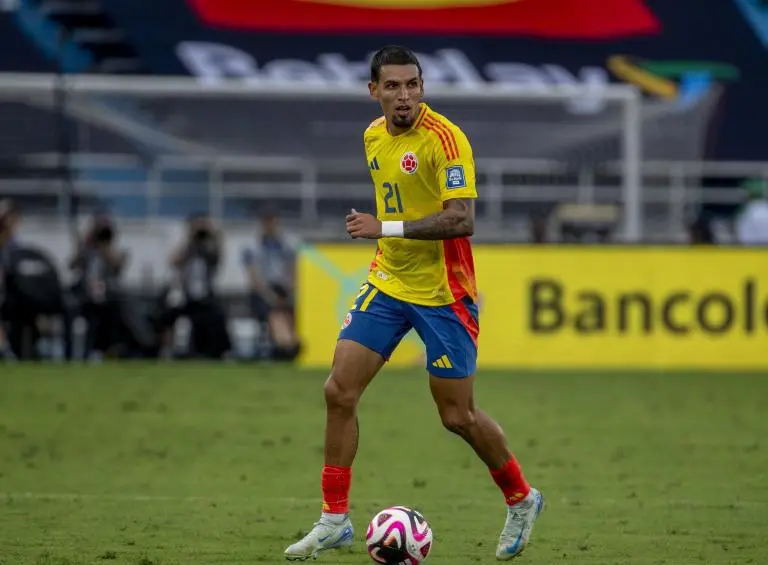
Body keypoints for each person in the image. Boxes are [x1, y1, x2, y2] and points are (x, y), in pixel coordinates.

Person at [284, 45, 543, 562]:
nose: (404, 95)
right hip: (389, 282)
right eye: (394, 86)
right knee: (339, 390)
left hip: (445, 294)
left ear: (422, 88)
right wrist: (387, 240)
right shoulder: (373, 136)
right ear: (374, 91)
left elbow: (461, 219)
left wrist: (387, 228)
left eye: (413, 85)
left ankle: (522, 497)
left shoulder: (446, 140)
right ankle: (334, 518)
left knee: (457, 416)